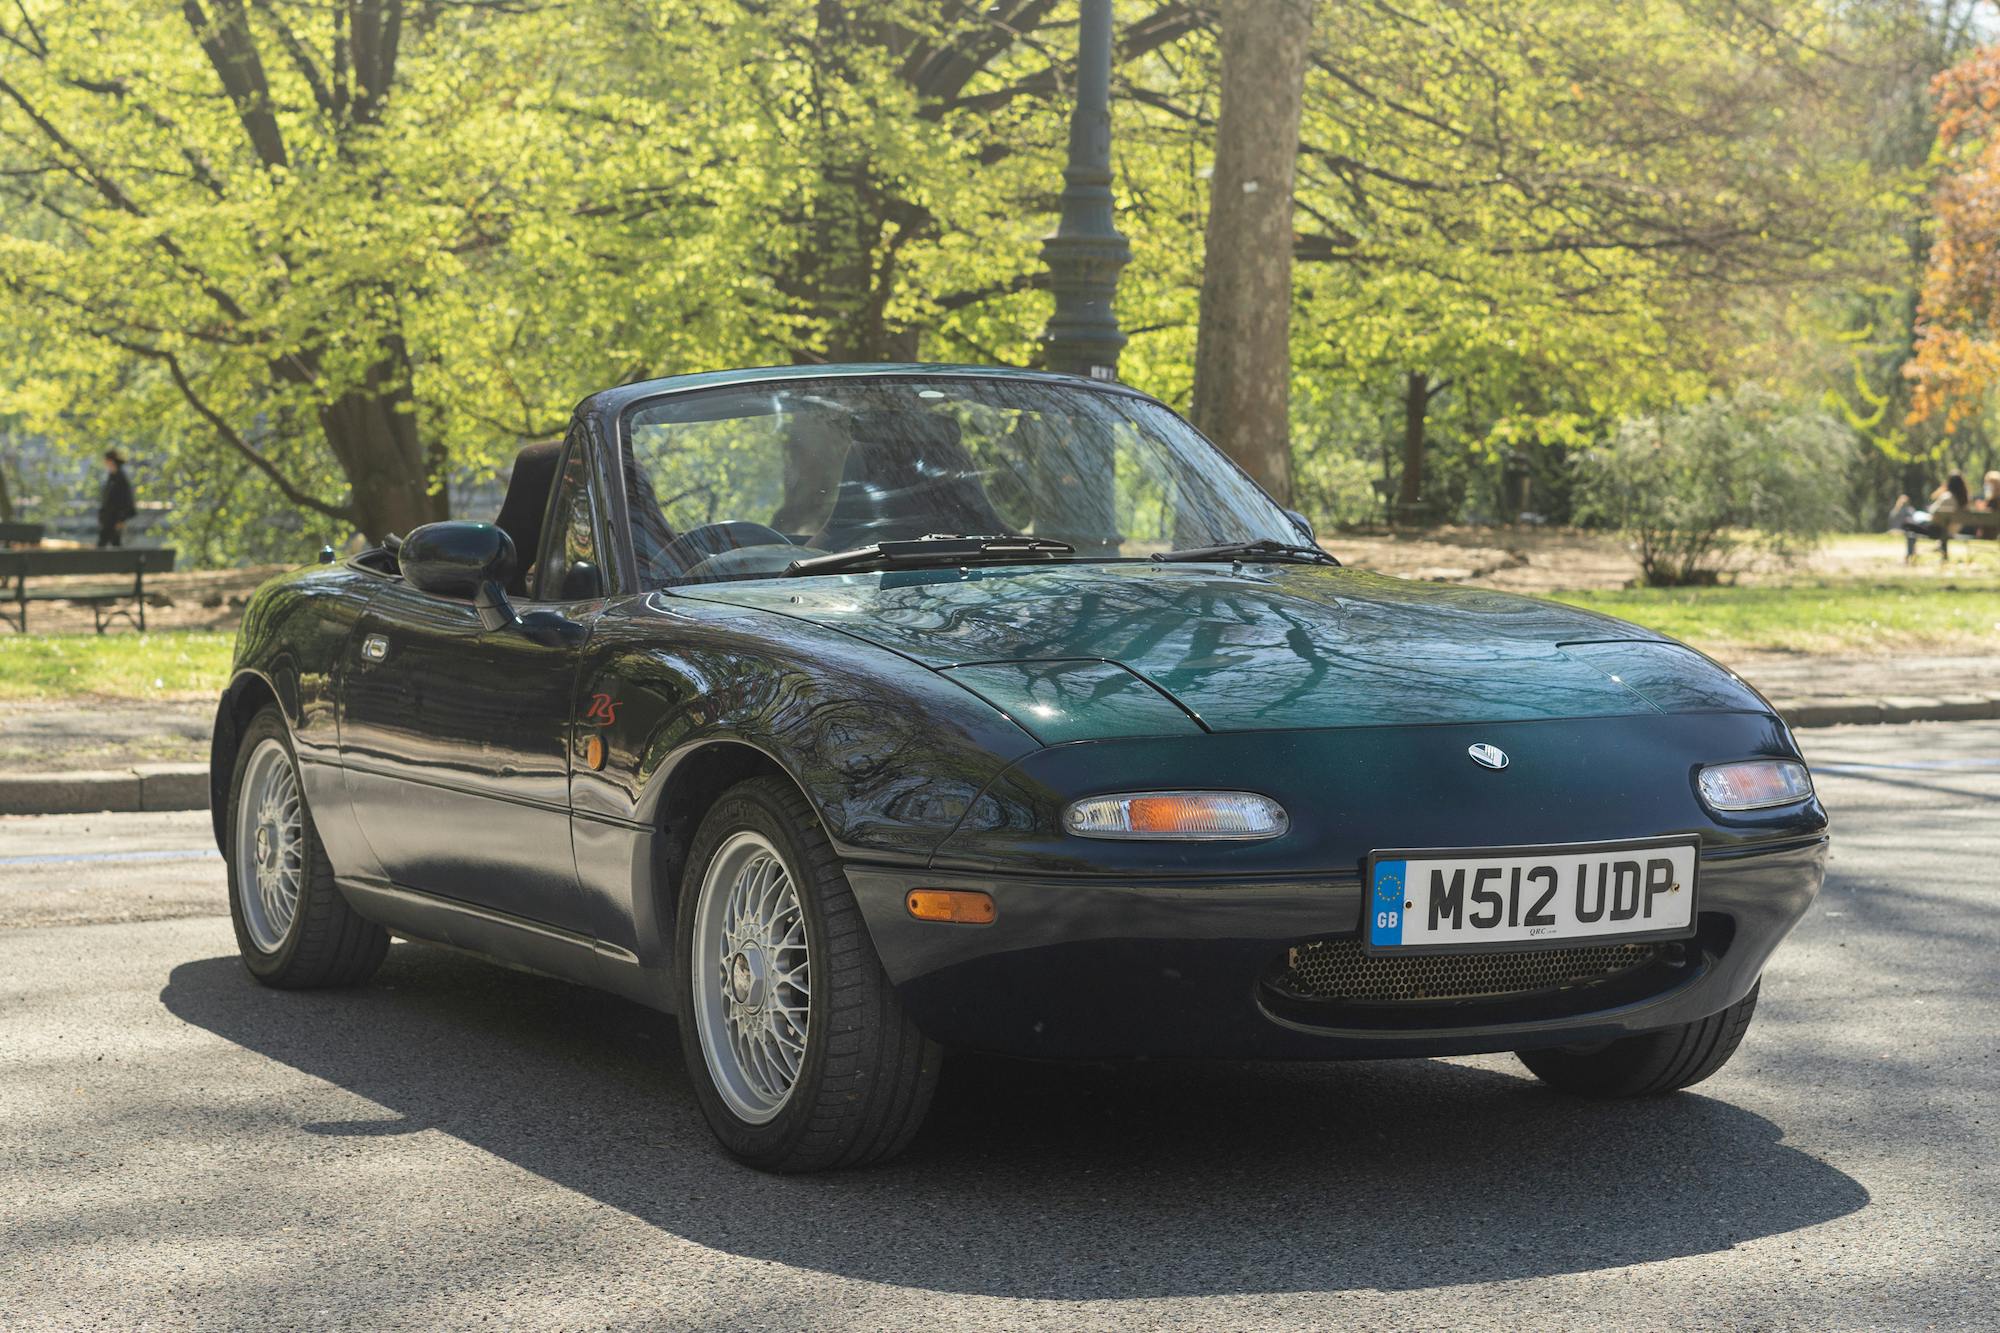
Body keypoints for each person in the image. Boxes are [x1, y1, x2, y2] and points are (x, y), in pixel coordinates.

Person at [1901, 472, 1969, 561]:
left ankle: (1910, 555)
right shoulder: (1965, 500)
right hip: (1952, 531)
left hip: (1937, 531)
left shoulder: (1946, 497)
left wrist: (1940, 493)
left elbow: (1932, 512)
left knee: (1907, 523)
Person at [97, 450, 136, 548]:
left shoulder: (121, 478)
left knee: (108, 544)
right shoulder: (111, 477)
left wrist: (121, 519)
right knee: (112, 544)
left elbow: (126, 500)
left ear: (111, 461)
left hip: (115, 519)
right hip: (108, 518)